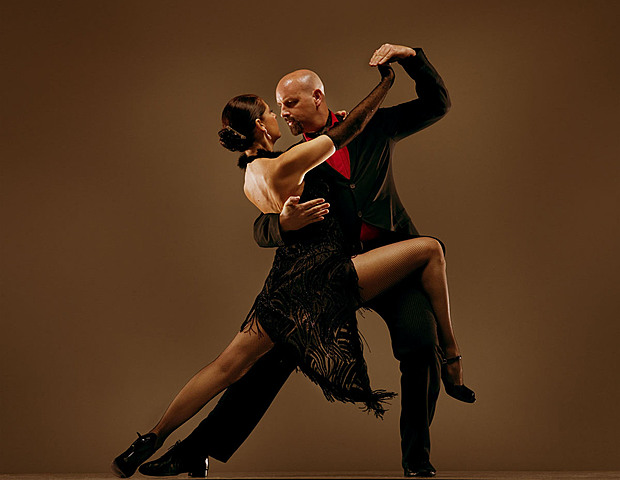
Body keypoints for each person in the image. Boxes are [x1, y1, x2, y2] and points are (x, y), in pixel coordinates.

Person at [133, 44, 474, 479]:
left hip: (392, 263)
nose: (285, 114)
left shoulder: (373, 124)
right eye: (279, 108)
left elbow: (437, 104)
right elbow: (261, 225)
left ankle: (417, 462)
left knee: (420, 344)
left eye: (290, 103)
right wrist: (282, 225)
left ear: (317, 97)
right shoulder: (293, 159)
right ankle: (194, 450)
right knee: (271, 360)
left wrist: (411, 59)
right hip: (331, 274)